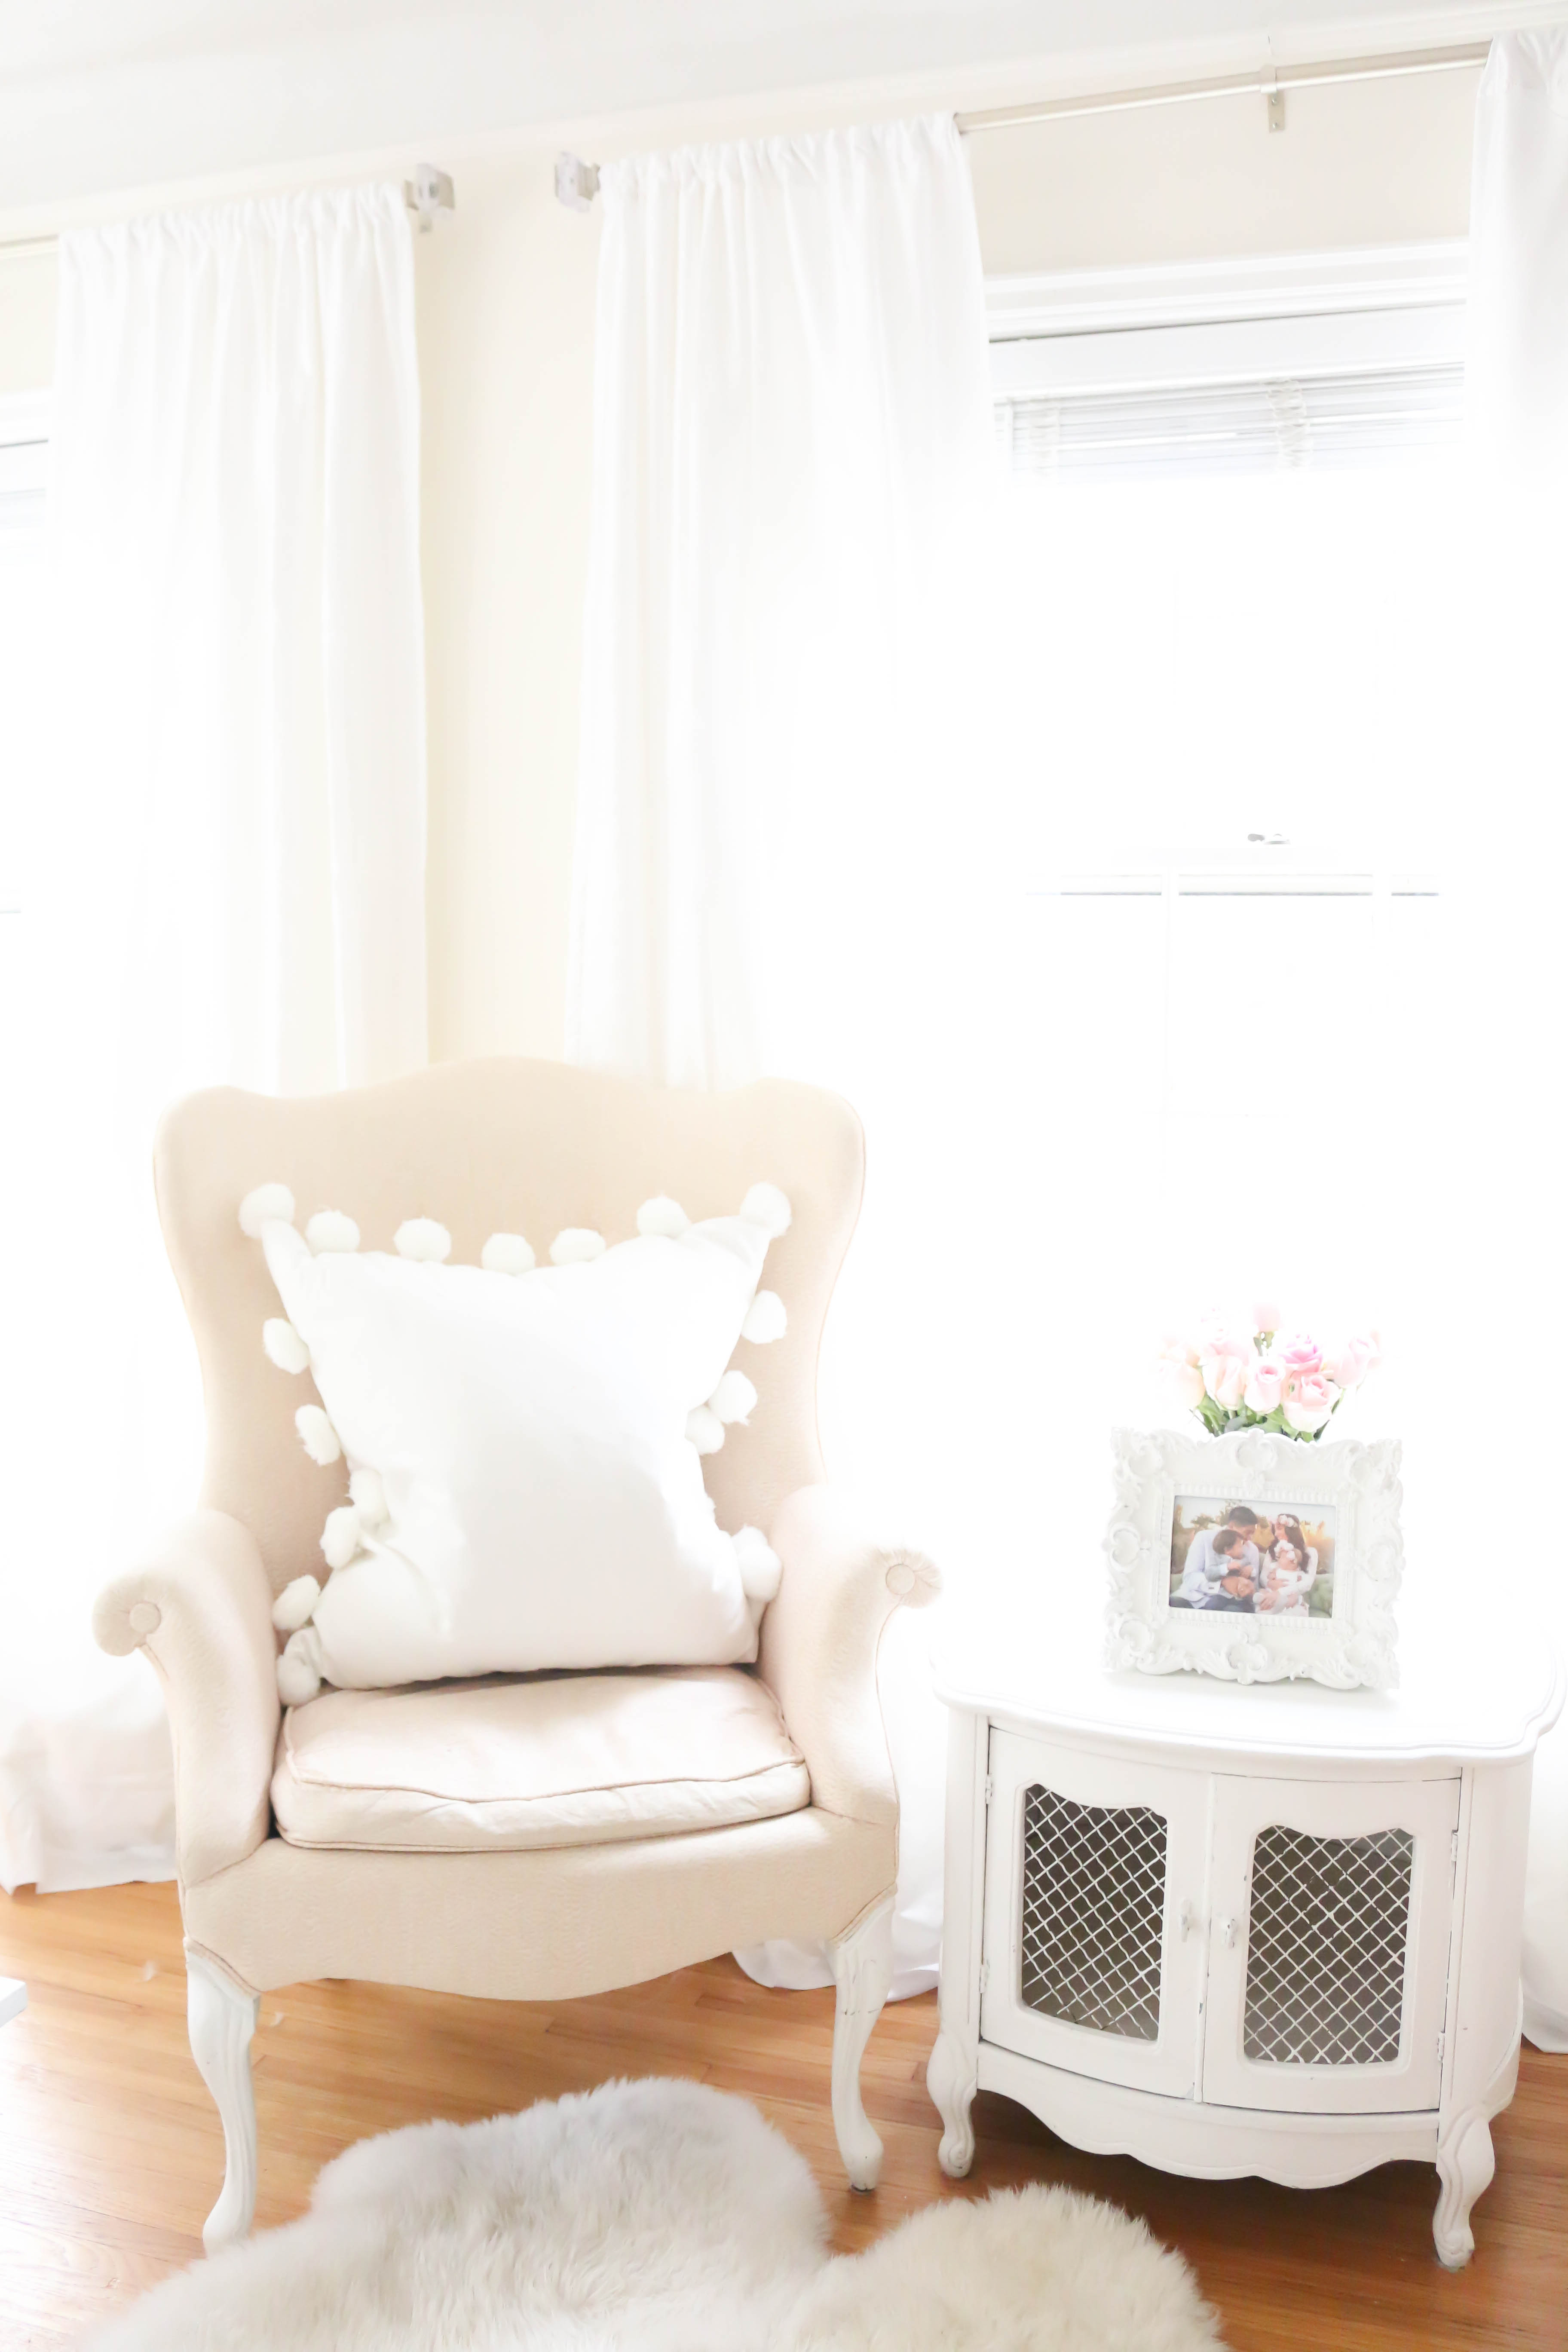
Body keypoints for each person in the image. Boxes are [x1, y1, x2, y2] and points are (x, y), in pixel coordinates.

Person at [1173, 1506, 1261, 1610]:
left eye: (1252, 1533)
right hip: (1194, 1598)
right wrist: (1222, 1583)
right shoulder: (1204, 1538)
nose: (1250, 1538)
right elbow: (1190, 1577)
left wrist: (1248, 1577)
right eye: (1247, 1532)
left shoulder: (1252, 1550)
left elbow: (1253, 1588)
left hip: (1232, 1602)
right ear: (1232, 1526)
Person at [1256, 1534, 1315, 1616]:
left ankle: (1281, 1608)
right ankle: (1261, 1599)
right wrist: (1271, 1579)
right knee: (1263, 1591)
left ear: (1293, 1562)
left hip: (1288, 1595)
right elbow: (1268, 1578)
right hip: (1273, 1592)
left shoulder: (1298, 1573)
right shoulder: (1277, 1570)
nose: (1279, 1560)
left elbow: (1306, 1583)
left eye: (1282, 1558)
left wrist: (1283, 1592)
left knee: (1294, 1598)